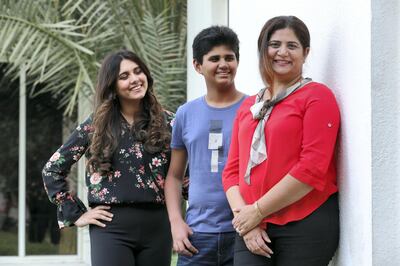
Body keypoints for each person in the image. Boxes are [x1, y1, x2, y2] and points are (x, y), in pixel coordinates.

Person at [222, 16, 340, 266]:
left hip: (305, 224)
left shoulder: (317, 97)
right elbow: (232, 171)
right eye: (274, 44)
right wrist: (246, 220)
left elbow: (311, 169)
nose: (282, 52)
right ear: (263, 50)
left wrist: (258, 211)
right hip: (252, 225)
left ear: (306, 52)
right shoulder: (248, 106)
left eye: (292, 46)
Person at [42, 50, 173, 266]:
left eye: (138, 72)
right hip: (111, 227)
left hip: (158, 226)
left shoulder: (169, 122)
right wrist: (76, 214)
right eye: (124, 76)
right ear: (112, 85)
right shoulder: (96, 125)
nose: (134, 79)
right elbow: (52, 169)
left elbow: (184, 177)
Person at [164, 26, 246, 266]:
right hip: (197, 236)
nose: (223, 64)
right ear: (198, 66)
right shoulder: (185, 113)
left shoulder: (254, 108)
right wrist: (176, 222)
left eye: (229, 58)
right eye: (214, 58)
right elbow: (174, 176)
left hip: (243, 230)